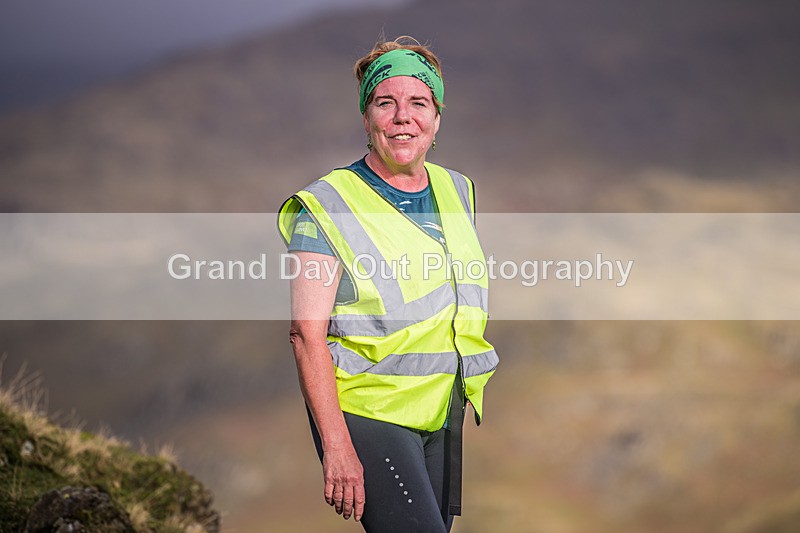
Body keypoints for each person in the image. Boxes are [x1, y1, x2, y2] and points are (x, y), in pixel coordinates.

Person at [277, 36, 499, 532]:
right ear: (367, 118)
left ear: (437, 118)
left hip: (442, 411)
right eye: (386, 103)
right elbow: (305, 334)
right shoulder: (325, 205)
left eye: (418, 102)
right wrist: (337, 448)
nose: (403, 117)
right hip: (368, 413)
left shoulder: (458, 189)